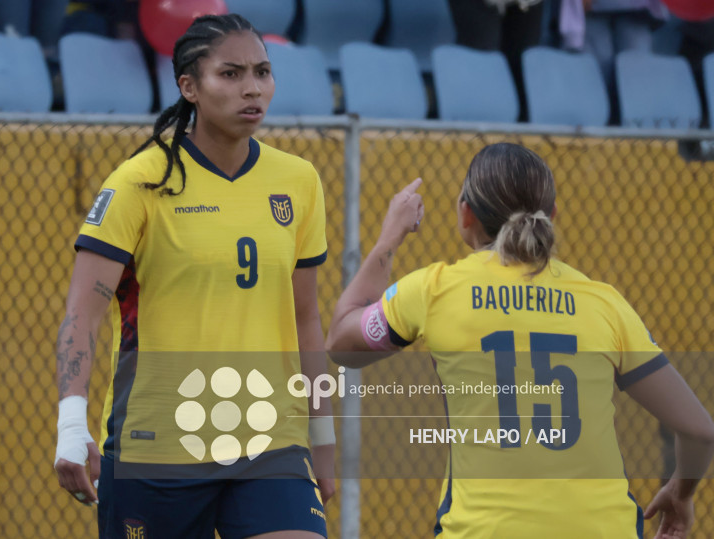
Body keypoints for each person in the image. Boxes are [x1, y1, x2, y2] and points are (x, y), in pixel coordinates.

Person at [325, 143, 714, 538]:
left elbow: (341, 343)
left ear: (466, 213)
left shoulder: (435, 290)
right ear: (554, 215)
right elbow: (699, 430)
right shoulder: (603, 302)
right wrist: (681, 493)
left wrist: (390, 236)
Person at [53, 13, 334, 539]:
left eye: (262, 71)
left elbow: (306, 317)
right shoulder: (139, 183)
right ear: (190, 87)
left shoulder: (298, 182)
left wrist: (322, 437)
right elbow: (81, 314)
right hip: (158, 448)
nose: (252, 88)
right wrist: (72, 425)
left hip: (270, 444)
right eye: (230, 74)